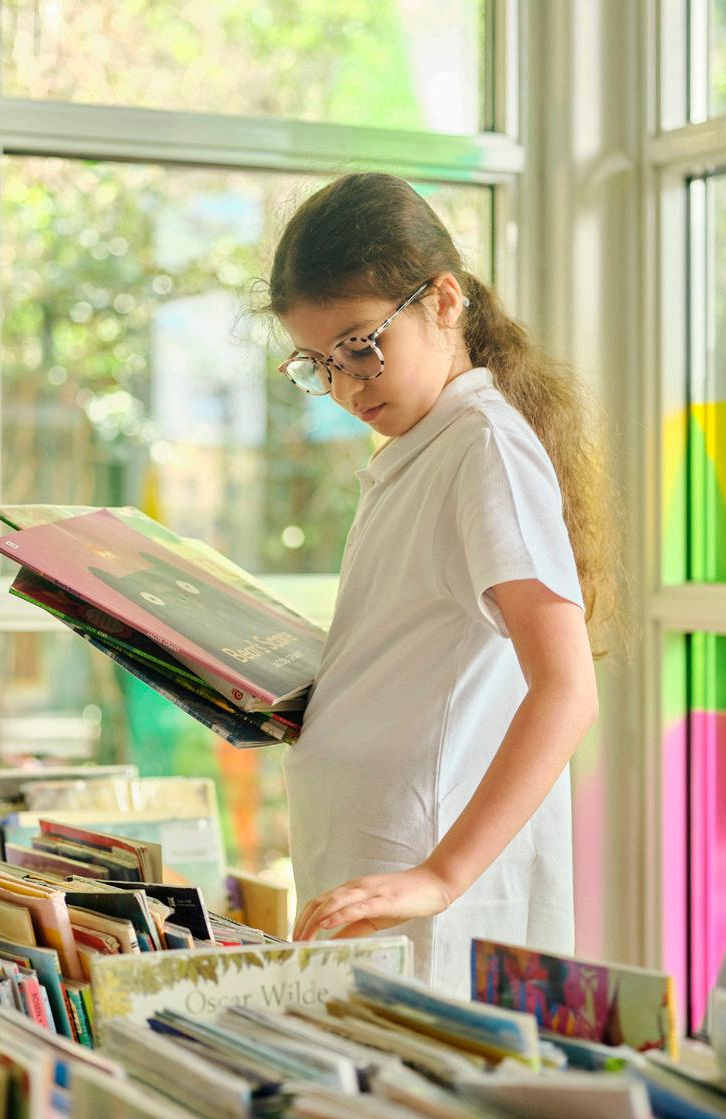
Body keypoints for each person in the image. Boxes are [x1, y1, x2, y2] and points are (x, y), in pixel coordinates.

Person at [262, 172, 617, 996]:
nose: (345, 385)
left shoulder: (483, 447)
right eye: (319, 364)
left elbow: (567, 690)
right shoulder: (424, 447)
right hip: (375, 869)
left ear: (444, 301)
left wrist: (440, 875)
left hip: (426, 887)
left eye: (360, 346)